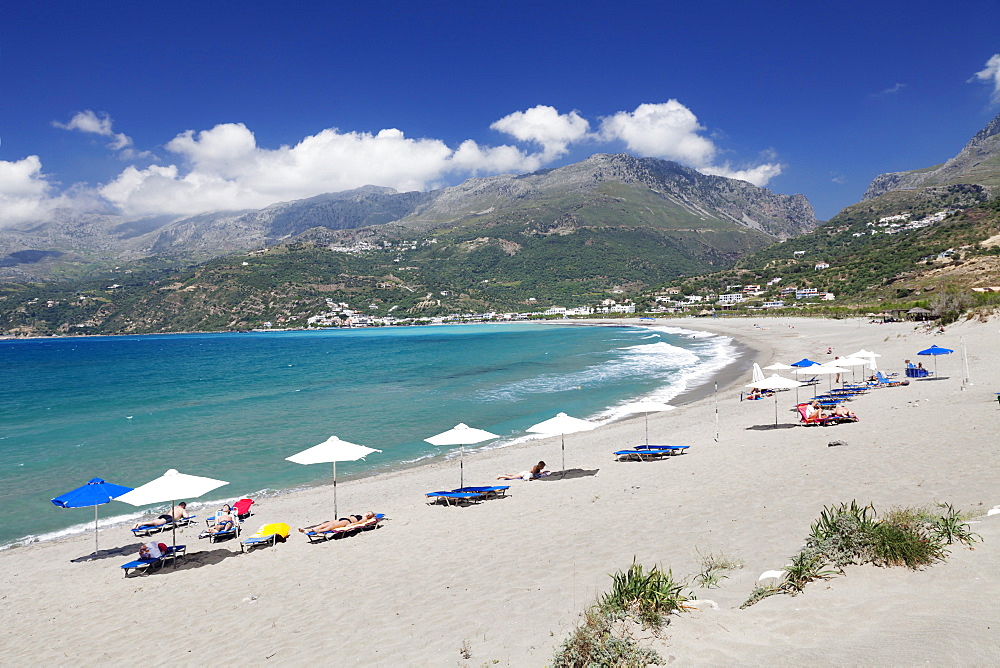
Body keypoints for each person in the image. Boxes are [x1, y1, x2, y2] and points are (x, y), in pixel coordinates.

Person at [298, 511, 376, 534]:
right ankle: (308, 530)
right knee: (325, 524)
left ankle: (319, 531)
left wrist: (352, 524)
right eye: (368, 512)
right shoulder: (361, 515)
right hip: (343, 519)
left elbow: (360, 523)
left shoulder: (364, 518)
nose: (367, 514)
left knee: (332, 526)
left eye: (369, 514)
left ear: (369, 516)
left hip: (347, 521)